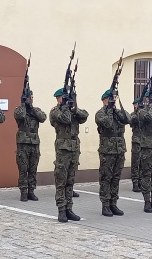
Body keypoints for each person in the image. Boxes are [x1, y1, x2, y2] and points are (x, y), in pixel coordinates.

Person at [50, 88, 88, 222]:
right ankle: (61, 209)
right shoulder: (55, 111)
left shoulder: (72, 110)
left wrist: (74, 106)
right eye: (63, 98)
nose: (64, 100)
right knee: (61, 180)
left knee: (70, 181)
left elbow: (84, 116)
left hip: (74, 148)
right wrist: (66, 107)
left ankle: (69, 209)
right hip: (63, 149)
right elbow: (65, 119)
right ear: (58, 98)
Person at [95, 90, 131, 217]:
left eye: (115, 98)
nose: (114, 100)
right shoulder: (100, 113)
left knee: (116, 178)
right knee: (106, 178)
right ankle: (105, 205)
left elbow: (128, 119)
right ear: (105, 99)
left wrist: (116, 109)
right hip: (107, 151)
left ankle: (113, 203)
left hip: (120, 149)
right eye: (111, 98)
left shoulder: (117, 112)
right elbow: (107, 123)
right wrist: (109, 109)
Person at [14, 89, 47, 201]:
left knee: (33, 168)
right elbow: (20, 116)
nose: (31, 99)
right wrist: (24, 104)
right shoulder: (19, 110)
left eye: (32, 97)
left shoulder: (35, 110)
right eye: (29, 97)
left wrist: (31, 107)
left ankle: (31, 191)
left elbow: (42, 118)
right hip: (23, 144)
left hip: (34, 143)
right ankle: (23, 191)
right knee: (23, 168)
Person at [130, 98, 142, 192]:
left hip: (144, 142)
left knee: (143, 163)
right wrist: (138, 111)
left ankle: (141, 182)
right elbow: (132, 121)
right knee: (135, 163)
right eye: (136, 104)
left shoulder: (143, 114)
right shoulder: (133, 115)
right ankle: (135, 183)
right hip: (136, 141)